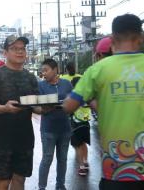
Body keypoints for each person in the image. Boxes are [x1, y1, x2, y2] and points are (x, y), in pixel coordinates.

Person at [63, 14, 144, 190]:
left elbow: (69, 106)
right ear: (140, 38)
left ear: (113, 39)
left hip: (116, 170)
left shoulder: (97, 70)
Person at [0, 35, 39, 190]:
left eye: (22, 48)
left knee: (20, 179)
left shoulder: (31, 77)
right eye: (15, 48)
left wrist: (48, 108)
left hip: (25, 137)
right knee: (3, 181)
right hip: (2, 138)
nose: (20, 52)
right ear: (5, 53)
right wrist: (5, 108)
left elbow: (35, 106)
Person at [37, 58, 72, 190]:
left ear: (55, 69)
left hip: (65, 128)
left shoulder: (67, 84)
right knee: (47, 158)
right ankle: (42, 187)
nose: (44, 73)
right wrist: (44, 109)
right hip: (48, 129)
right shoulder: (41, 85)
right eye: (42, 71)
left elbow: (72, 101)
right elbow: (37, 106)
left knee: (62, 159)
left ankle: (60, 185)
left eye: (46, 70)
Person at [70, 76, 91, 177]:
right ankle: (86, 162)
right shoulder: (87, 95)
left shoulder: (75, 95)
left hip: (76, 123)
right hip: (86, 122)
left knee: (78, 146)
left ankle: (82, 167)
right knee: (84, 143)